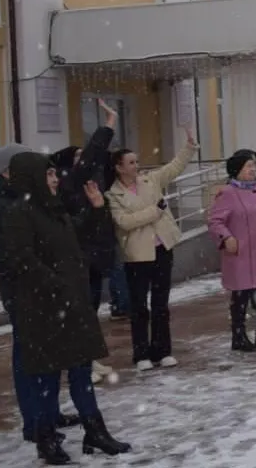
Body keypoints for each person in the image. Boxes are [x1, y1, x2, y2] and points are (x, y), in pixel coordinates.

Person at [2, 152, 131, 464]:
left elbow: (79, 233)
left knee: (81, 372)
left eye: (53, 175)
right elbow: (22, 259)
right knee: (47, 379)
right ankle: (46, 440)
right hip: (45, 310)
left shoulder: (53, 210)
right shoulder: (19, 213)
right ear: (32, 177)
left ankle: (95, 431)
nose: (55, 180)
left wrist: (98, 209)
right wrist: (56, 284)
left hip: (72, 306)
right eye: (47, 176)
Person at [0, 143, 80, 442]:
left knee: (47, 354)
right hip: (23, 292)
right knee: (28, 356)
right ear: (12, 171)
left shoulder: (23, 200)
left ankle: (49, 414)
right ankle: (34, 422)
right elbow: (10, 257)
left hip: (41, 288)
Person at [106, 127, 197, 371]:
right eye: (131, 162)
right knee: (139, 307)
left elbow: (173, 168)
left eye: (136, 161)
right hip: (137, 256)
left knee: (161, 303)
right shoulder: (113, 194)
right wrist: (155, 211)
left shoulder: (150, 180)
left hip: (161, 249)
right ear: (119, 167)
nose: (136, 166)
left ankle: (163, 350)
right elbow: (124, 222)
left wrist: (188, 147)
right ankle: (141, 354)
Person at [50, 99, 122, 382]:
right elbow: (93, 156)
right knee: (80, 314)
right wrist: (108, 126)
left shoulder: (85, 186)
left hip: (92, 258)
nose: (85, 160)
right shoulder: (69, 186)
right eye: (78, 156)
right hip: (79, 260)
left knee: (90, 312)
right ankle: (80, 364)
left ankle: (88, 360)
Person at [208, 149, 256, 352]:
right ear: (237, 170)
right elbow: (215, 221)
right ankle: (239, 336)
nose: (253, 169)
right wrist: (226, 237)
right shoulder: (227, 193)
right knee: (241, 297)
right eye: (248, 166)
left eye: (254, 165)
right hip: (242, 254)